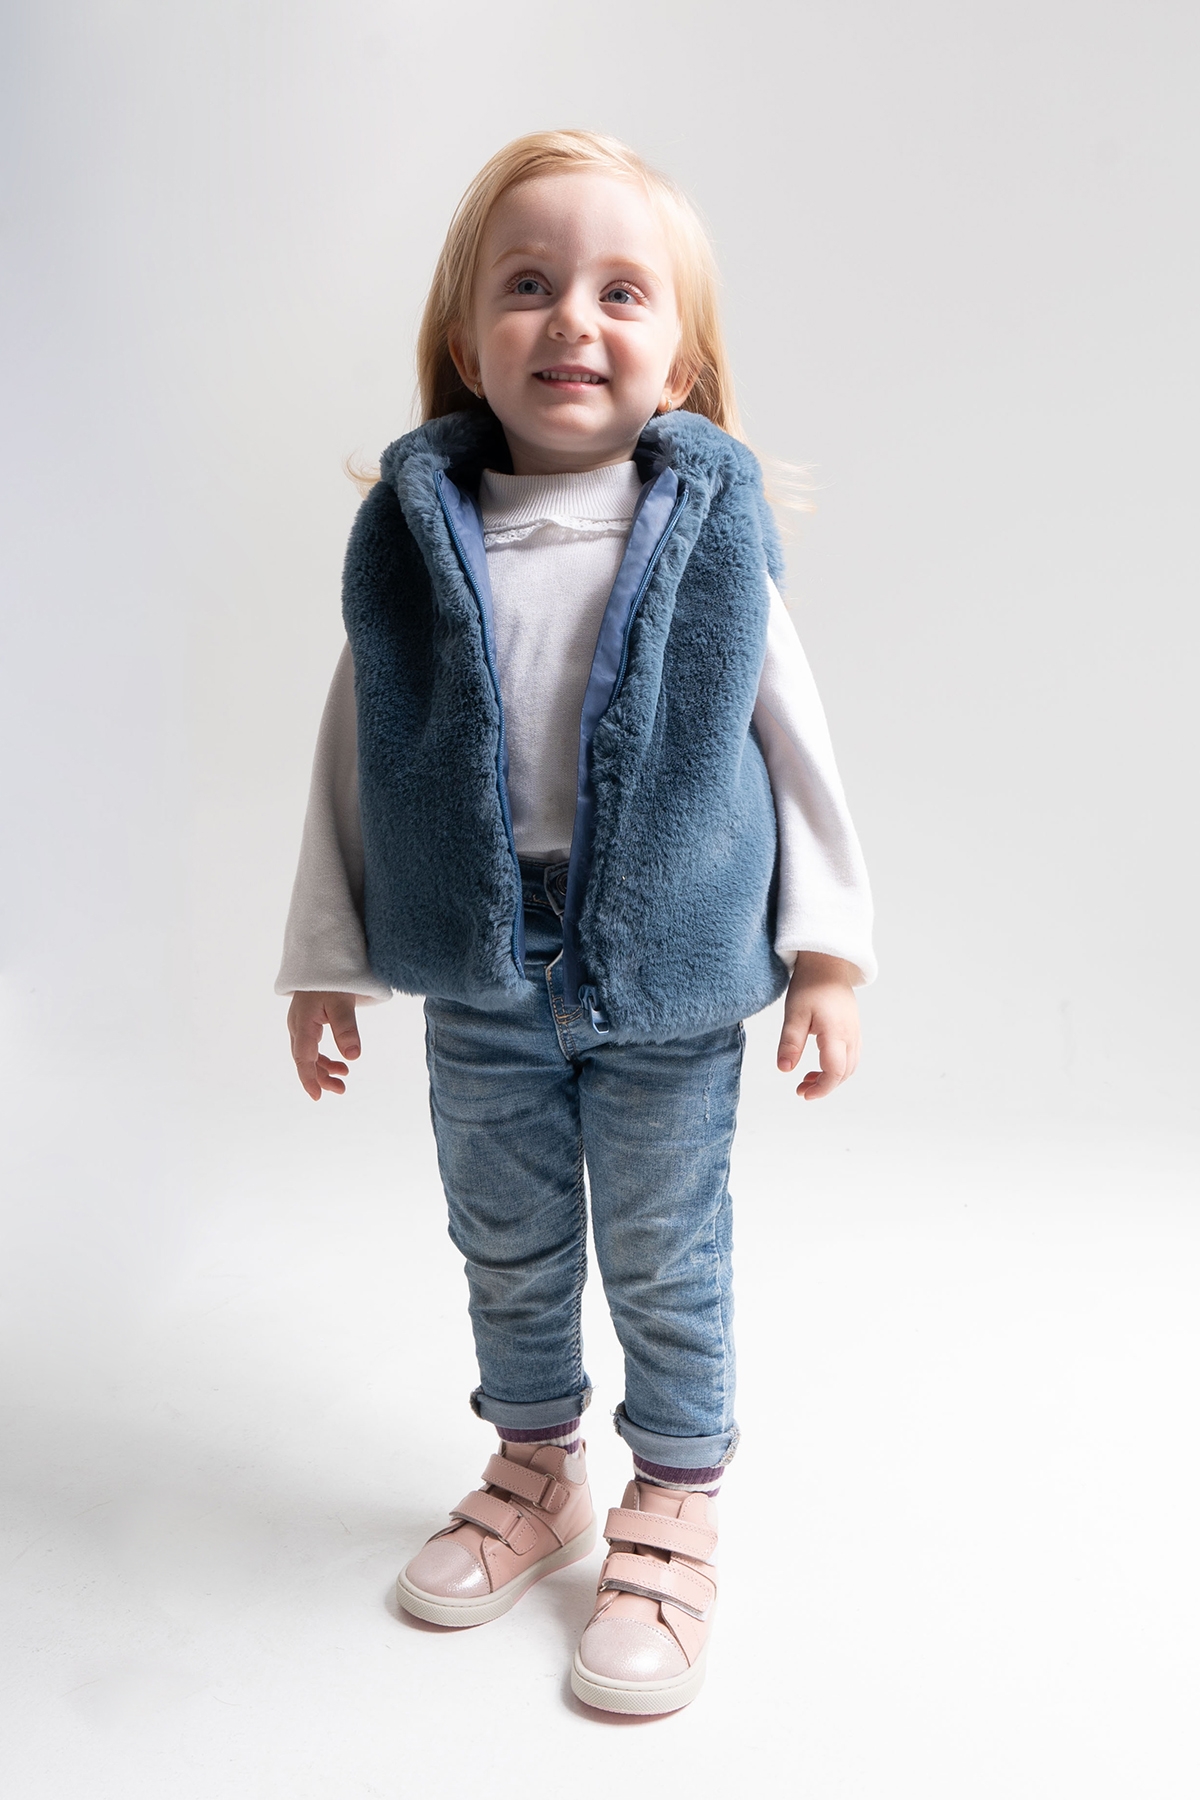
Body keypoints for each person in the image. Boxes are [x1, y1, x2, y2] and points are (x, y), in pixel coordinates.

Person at [276, 129, 875, 1716]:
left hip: (665, 974)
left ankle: (672, 1498)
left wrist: (829, 953)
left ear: (682, 364)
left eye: (622, 292)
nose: (572, 321)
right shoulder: (421, 547)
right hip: (481, 966)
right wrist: (325, 962)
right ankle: (536, 1466)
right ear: (468, 342)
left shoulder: (711, 546)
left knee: (667, 1248)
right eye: (528, 285)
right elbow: (356, 753)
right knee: (509, 1239)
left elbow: (797, 751)